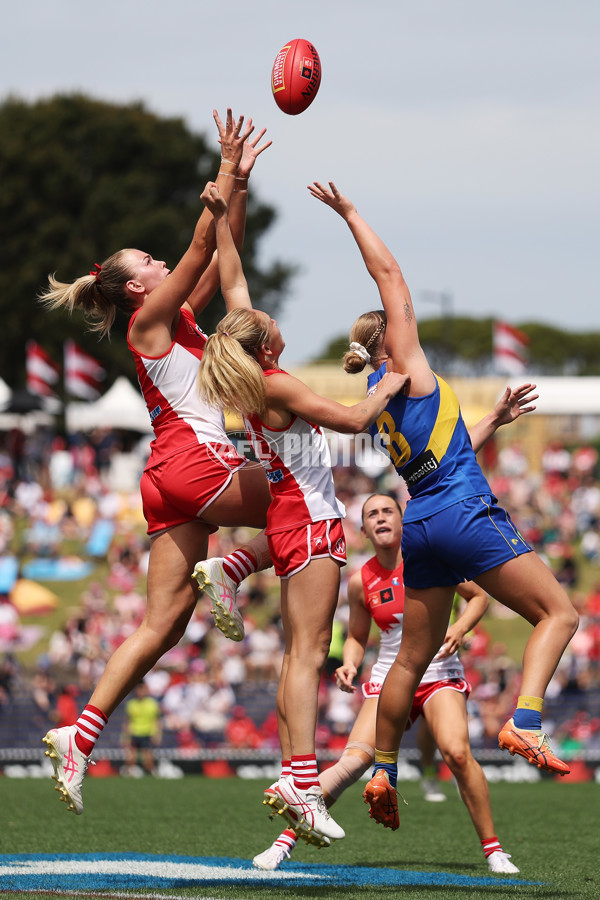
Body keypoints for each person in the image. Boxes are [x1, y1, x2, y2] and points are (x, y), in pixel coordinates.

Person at [308, 181, 579, 830]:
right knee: (560, 614)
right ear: (391, 340)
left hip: (422, 521)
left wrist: (495, 422)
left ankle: (382, 767)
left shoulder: (382, 394)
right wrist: (350, 213)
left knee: (408, 657)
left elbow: (445, 448)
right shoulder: (411, 365)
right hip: (462, 511)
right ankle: (527, 721)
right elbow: (390, 272)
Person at [39, 108, 275, 815]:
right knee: (303, 497)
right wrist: (224, 168)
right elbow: (202, 249)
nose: (161, 262)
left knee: (162, 626)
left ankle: (77, 738)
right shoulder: (147, 321)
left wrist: (237, 188)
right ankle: (233, 568)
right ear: (136, 288)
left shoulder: (172, 318)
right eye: (149, 262)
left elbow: (215, 243)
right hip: (192, 463)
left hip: (168, 482)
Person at [197, 183, 409, 843]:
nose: (273, 315)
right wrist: (392, 382)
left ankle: (232, 565)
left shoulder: (252, 376)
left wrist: (219, 216)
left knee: (299, 653)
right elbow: (350, 418)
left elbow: (234, 287)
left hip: (286, 518)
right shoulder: (277, 382)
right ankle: (299, 779)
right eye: (269, 321)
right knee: (306, 656)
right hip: (310, 520)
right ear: (265, 344)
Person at [253, 486, 524, 872]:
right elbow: (359, 638)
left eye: (387, 511)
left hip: (437, 672)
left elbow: (478, 596)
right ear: (363, 530)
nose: (380, 517)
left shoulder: (430, 556)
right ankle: (283, 844)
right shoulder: (361, 581)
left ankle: (494, 851)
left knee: (458, 753)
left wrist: (460, 628)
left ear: (402, 519)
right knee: (351, 764)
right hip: (388, 675)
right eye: (372, 514)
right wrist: (350, 663)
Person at [122, 680, 162, 776]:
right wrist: (125, 737)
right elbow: (127, 722)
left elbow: (157, 721)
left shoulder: (152, 704)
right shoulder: (131, 704)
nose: (140, 691)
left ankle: (152, 775)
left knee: (147, 761)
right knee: (130, 759)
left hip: (147, 734)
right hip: (134, 734)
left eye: (142, 689)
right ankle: (128, 777)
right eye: (138, 689)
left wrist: (157, 735)